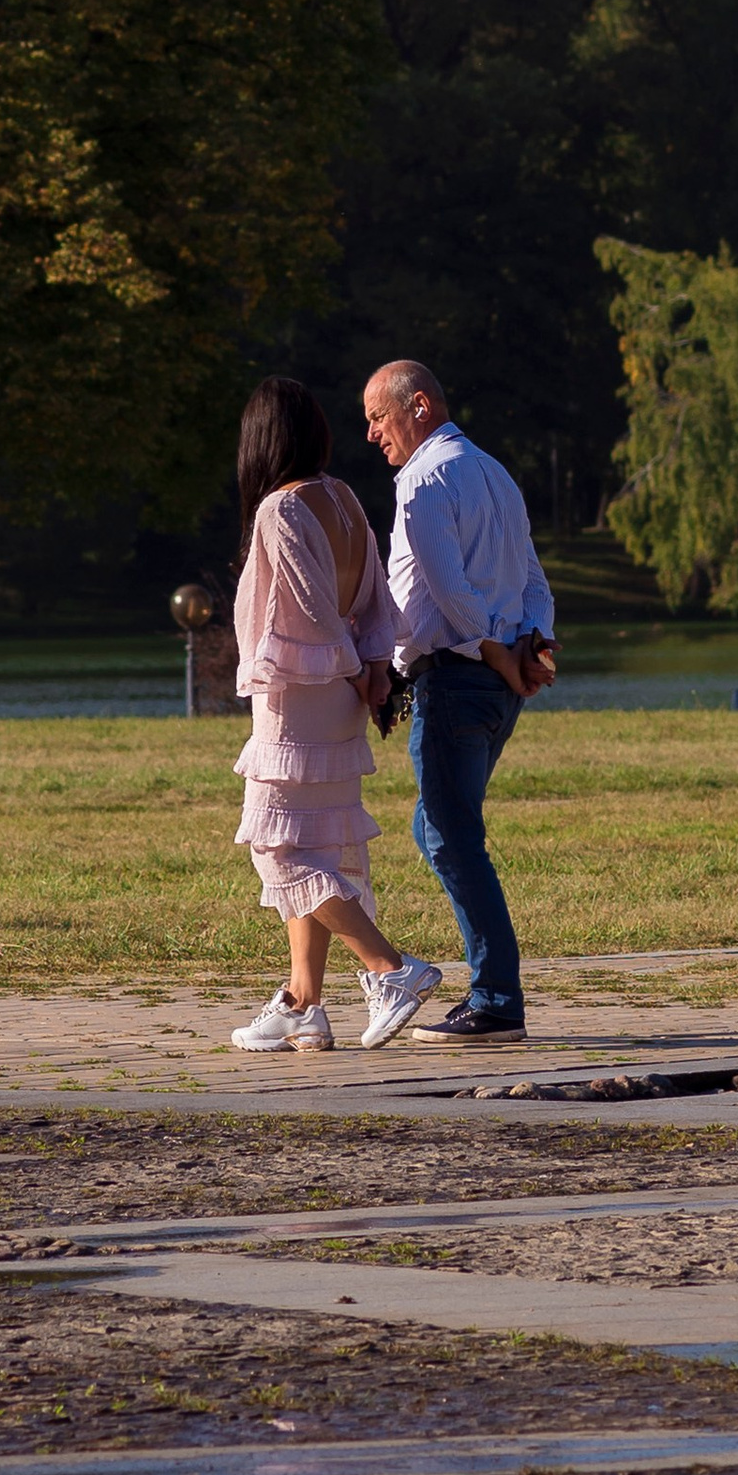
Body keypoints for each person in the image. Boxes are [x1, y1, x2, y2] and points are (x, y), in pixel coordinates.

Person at [223, 374, 443, 1054]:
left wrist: (353, 666)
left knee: (277, 849)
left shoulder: (279, 510)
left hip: (300, 699)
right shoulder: (342, 496)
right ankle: (303, 1001)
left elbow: (314, 612)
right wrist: (372, 668)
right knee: (314, 843)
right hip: (340, 694)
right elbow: (376, 596)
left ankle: (390, 967)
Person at [363, 357, 556, 1041]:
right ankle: (494, 990)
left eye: (377, 417)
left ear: (418, 406)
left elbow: (446, 587)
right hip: (491, 683)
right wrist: (535, 642)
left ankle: (496, 999)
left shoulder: (423, 479)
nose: (371, 434)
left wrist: (499, 649)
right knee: (435, 827)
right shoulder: (494, 472)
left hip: (457, 677)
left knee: (452, 836)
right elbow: (533, 580)